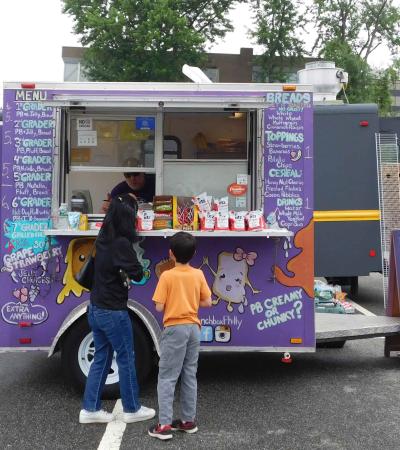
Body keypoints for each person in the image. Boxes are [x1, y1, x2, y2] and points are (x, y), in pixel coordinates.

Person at [79, 193, 155, 424]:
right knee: (126, 356)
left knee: (101, 356)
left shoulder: (103, 238)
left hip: (96, 307)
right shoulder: (121, 244)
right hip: (113, 310)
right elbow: (138, 272)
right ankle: (132, 408)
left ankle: (90, 409)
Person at [148, 232, 212, 441]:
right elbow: (207, 303)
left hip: (175, 328)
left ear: (171, 254)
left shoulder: (167, 276)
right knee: (189, 373)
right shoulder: (198, 274)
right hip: (194, 328)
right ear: (194, 253)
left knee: (167, 376)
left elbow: (158, 306)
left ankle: (164, 424)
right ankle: (187, 421)